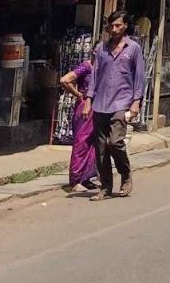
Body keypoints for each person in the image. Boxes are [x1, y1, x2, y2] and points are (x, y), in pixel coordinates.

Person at [87, 10, 145, 200]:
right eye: (112, 26)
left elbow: (139, 76)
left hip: (121, 102)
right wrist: (88, 100)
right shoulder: (101, 49)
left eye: (118, 25)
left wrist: (136, 102)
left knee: (115, 142)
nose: (114, 29)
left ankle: (125, 174)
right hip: (100, 103)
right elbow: (94, 76)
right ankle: (105, 187)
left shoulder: (133, 48)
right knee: (101, 148)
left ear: (125, 26)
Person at [58, 53, 100, 196]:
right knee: (81, 143)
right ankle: (75, 181)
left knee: (93, 143)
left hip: (98, 107)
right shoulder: (86, 66)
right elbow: (65, 80)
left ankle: (86, 177)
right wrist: (78, 94)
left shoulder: (101, 67)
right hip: (85, 108)